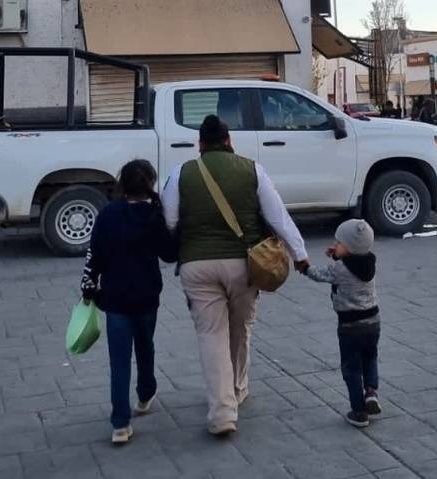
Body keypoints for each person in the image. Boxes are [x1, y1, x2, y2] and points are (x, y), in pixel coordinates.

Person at [161, 115, 309, 435]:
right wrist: (300, 255)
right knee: (240, 328)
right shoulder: (253, 170)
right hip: (245, 265)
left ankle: (222, 414)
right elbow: (278, 217)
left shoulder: (180, 173)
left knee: (211, 334)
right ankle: (238, 388)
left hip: (197, 266)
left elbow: (169, 221)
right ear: (229, 141)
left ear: (199, 145)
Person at [80, 159, 178, 444]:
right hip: (147, 296)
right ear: (150, 183)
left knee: (119, 360)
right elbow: (169, 254)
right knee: (146, 346)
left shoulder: (108, 214)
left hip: (115, 298)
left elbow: (94, 254)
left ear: (122, 184)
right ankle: (145, 394)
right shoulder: (154, 215)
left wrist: (88, 286)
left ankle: (120, 424)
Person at [301, 219, 381, 428]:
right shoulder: (370, 260)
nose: (335, 245)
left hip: (350, 326)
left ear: (350, 247)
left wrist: (304, 267)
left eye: (338, 242)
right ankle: (371, 392)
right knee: (370, 357)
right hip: (373, 322)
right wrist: (338, 254)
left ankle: (359, 412)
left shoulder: (340, 269)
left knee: (352, 368)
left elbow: (321, 274)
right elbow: (352, 259)